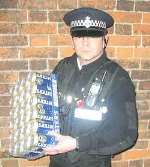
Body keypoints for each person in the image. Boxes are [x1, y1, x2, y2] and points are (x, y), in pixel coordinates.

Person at [43, 7, 138, 167]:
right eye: (79, 35)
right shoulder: (62, 68)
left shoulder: (118, 77)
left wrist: (77, 143)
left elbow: (125, 134)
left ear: (105, 39)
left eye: (93, 36)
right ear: (72, 39)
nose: (85, 42)